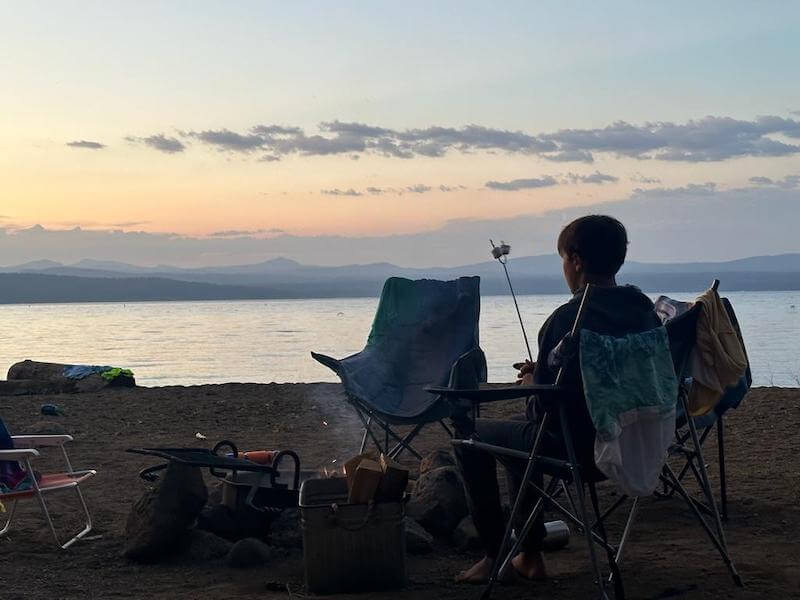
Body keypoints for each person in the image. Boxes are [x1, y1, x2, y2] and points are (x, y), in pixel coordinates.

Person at [454, 215, 661, 583]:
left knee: (469, 435)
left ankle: (495, 555)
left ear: (577, 261)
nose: (565, 268)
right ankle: (529, 556)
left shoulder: (567, 320)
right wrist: (550, 375)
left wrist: (535, 379)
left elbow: (542, 409)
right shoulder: (643, 309)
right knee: (518, 436)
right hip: (637, 441)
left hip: (579, 449)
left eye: (563, 259)